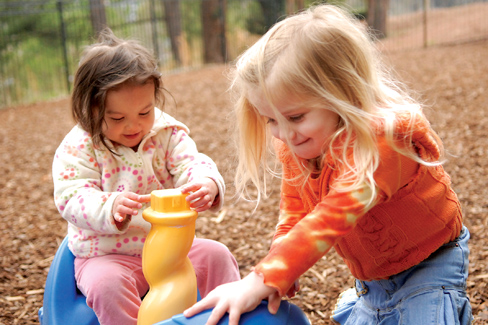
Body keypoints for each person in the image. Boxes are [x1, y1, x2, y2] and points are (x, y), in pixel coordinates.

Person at [183, 4, 472, 325]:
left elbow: (333, 214)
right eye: (270, 120)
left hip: (428, 268)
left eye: (295, 117)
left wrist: (262, 277)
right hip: (374, 282)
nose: (284, 134)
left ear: (342, 94)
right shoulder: (299, 145)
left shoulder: (385, 142)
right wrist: (281, 263)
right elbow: (294, 212)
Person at [52, 28, 240, 325]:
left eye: (145, 112)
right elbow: (72, 196)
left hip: (172, 250)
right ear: (90, 108)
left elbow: (190, 162)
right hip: (107, 254)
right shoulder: (80, 147)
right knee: (107, 286)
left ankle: (228, 318)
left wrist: (206, 183)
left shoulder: (165, 133)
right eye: (117, 118)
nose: (134, 126)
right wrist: (109, 206)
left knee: (217, 255)